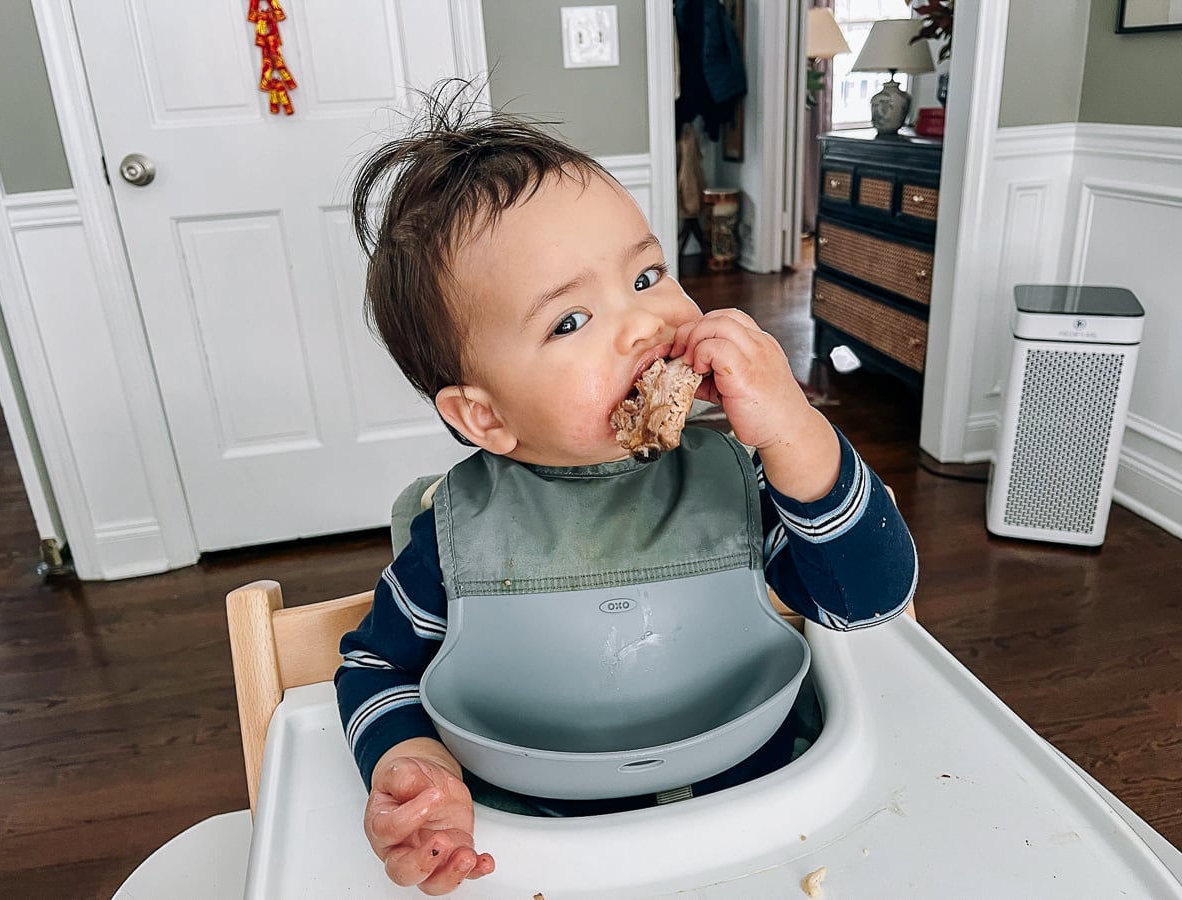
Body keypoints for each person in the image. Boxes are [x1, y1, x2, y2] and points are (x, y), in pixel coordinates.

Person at [336, 82, 917, 896]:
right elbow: (375, 666)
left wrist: (794, 429)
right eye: (570, 322)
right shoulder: (461, 536)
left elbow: (869, 598)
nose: (644, 323)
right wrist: (413, 759)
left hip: (760, 826)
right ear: (484, 415)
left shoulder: (738, 480)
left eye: (646, 276)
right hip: (547, 848)